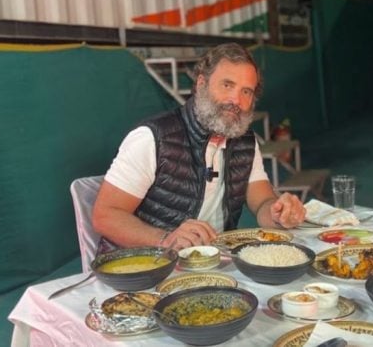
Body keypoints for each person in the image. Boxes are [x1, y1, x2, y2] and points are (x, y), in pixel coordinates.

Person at [92, 43, 306, 251]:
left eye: (246, 92)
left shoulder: (244, 141)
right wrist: (165, 240)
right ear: (201, 84)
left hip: (213, 263)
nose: (236, 101)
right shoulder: (152, 137)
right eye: (227, 85)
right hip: (149, 267)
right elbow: (105, 216)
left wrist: (278, 212)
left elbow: (262, 203)